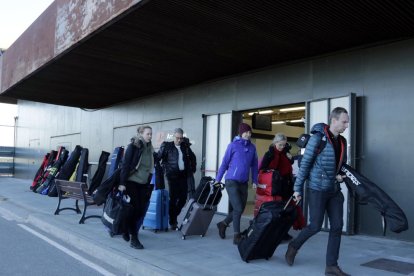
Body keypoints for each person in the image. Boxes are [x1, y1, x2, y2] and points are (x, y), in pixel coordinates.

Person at [285, 107, 350, 276]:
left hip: (334, 190)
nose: (347, 125)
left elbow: (341, 166)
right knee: (315, 226)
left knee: (337, 226)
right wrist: (297, 189)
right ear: (334, 121)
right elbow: (305, 165)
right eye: (344, 121)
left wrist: (341, 176)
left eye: (347, 121)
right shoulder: (317, 138)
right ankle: (294, 246)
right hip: (317, 189)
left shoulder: (342, 142)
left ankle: (331, 266)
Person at [216, 122, 258, 245]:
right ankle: (236, 236)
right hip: (231, 181)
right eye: (246, 132)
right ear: (240, 133)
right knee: (238, 208)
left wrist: (255, 180)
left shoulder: (252, 148)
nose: (248, 134)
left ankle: (223, 224)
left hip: (244, 182)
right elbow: (224, 163)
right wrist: (217, 180)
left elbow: (254, 166)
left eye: (250, 132)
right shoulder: (233, 146)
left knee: (240, 208)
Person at [119, 125, 154, 249]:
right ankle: (134, 239)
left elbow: (150, 164)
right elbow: (125, 164)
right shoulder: (133, 146)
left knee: (139, 211)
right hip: (131, 182)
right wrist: (122, 183)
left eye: (151, 134)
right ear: (141, 134)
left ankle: (125, 229)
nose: (150, 136)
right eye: (147, 134)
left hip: (143, 184)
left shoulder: (150, 147)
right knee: (134, 209)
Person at [158, 128, 196, 230]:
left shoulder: (185, 147)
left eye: (181, 138)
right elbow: (158, 158)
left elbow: (193, 158)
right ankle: (173, 221)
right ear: (173, 136)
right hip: (172, 176)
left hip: (183, 176)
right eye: (177, 138)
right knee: (173, 198)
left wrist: (193, 169)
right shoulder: (167, 146)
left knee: (183, 199)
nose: (179, 140)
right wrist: (161, 170)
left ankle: (173, 215)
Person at [259, 132, 294, 240]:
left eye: (284, 145)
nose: (282, 147)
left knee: (287, 210)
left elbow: (289, 167)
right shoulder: (269, 154)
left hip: (286, 185)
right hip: (274, 186)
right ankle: (272, 232)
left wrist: (290, 158)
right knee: (276, 210)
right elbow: (262, 169)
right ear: (275, 143)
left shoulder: (285, 153)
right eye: (280, 145)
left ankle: (282, 232)